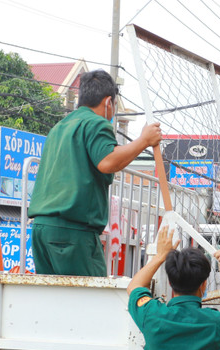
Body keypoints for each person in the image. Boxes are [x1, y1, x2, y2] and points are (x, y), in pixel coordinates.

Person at [30, 70, 162, 276]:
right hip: (71, 232)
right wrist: (144, 140)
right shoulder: (95, 123)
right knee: (92, 294)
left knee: (53, 295)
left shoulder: (60, 127)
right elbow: (107, 161)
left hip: (41, 229)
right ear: (108, 102)